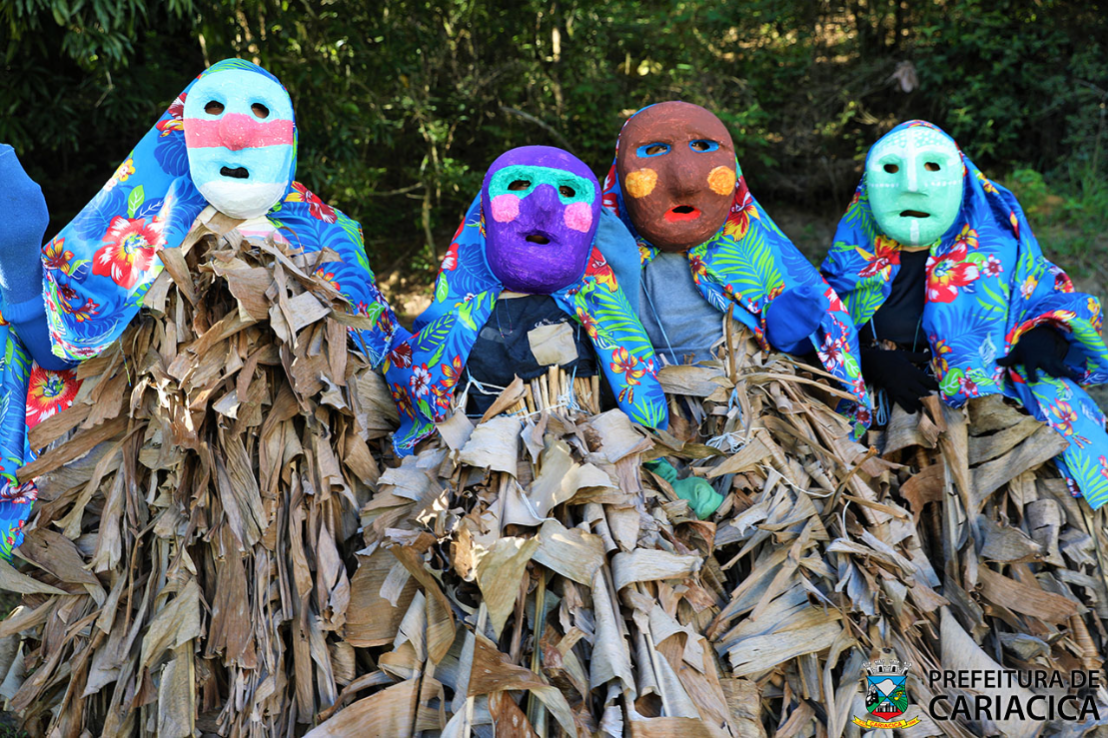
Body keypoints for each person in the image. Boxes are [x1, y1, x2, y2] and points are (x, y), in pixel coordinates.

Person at [0, 59, 405, 553]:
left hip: (299, 509)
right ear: (182, 131)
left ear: (290, 135)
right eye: (214, 108)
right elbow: (59, 354)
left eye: (260, 111)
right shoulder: (139, 231)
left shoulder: (332, 239)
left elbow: (390, 373)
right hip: (157, 503)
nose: (236, 130)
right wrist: (20, 261)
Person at [821, 120, 1108, 508]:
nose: (912, 185)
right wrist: (866, 359)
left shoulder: (1000, 253)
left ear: (962, 179)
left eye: (932, 168)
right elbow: (814, 329)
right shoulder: (849, 261)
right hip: (883, 430)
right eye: (891, 170)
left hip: (994, 422)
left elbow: (1052, 295)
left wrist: (1046, 334)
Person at [600, 101, 870, 433]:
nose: (685, 178)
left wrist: (791, 337)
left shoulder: (752, 249)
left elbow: (817, 348)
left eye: (702, 147)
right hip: (652, 418)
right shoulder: (608, 250)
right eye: (654, 150)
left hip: (742, 414)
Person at [386, 145, 669, 452]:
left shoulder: (602, 315)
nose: (545, 204)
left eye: (568, 192)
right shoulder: (451, 322)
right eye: (519, 185)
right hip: (478, 472)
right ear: (484, 214)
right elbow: (418, 394)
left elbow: (638, 402)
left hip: (584, 467)